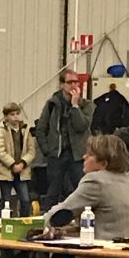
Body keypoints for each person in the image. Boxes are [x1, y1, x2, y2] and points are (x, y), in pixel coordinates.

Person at [36, 69, 95, 211]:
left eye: (76, 82)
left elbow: (81, 126)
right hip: (57, 155)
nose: (74, 85)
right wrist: (47, 150)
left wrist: (75, 106)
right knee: (52, 191)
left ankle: (84, 220)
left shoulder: (87, 105)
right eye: (70, 82)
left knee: (81, 189)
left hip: (78, 156)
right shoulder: (52, 105)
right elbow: (41, 129)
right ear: (62, 85)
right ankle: (46, 222)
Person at [0, 103, 36, 216]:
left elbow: (31, 151)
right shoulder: (1, 131)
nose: (16, 117)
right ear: (6, 116)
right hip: (5, 171)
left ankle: (24, 224)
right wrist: (12, 165)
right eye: (12, 114)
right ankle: (3, 225)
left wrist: (22, 163)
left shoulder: (26, 130)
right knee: (6, 202)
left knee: (25, 200)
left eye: (17, 114)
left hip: (22, 171)